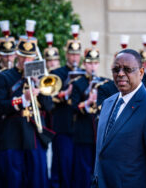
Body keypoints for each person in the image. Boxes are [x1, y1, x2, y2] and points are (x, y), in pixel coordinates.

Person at [93, 49, 146, 188]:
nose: (120, 74)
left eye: (127, 69)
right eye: (116, 69)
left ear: (141, 72)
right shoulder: (108, 103)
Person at [0, 36, 54, 188]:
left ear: (34, 57)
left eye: (30, 57)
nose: (26, 61)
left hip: (35, 135)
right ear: (17, 56)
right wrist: (23, 99)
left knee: (37, 179)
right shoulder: (4, 77)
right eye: (23, 57)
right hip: (12, 135)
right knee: (13, 179)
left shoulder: (40, 78)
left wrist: (37, 84)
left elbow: (49, 106)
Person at [71, 34, 106, 188]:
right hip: (83, 133)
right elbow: (73, 108)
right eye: (90, 63)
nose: (93, 66)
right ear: (84, 64)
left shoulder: (104, 83)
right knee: (83, 171)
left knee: (98, 171)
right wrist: (88, 102)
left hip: (99, 134)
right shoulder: (78, 83)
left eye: (95, 63)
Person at [50, 25, 82, 188]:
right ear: (66, 55)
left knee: (78, 169)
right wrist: (67, 91)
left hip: (80, 129)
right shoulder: (58, 73)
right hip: (62, 126)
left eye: (77, 54)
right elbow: (51, 96)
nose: (74, 57)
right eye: (71, 54)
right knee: (62, 166)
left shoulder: (84, 73)